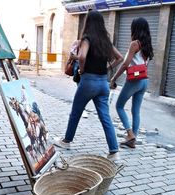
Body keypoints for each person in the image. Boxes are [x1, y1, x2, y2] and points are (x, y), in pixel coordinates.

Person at [55, 10, 123, 160]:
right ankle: (114, 151)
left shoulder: (87, 38)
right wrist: (106, 69)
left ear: (88, 23)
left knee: (76, 112)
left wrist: (82, 68)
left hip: (88, 82)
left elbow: (82, 56)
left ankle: (66, 141)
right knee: (105, 117)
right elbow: (120, 58)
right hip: (103, 83)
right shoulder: (105, 40)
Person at [110, 17, 154, 149]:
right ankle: (132, 141)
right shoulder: (147, 44)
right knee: (136, 111)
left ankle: (130, 134)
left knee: (119, 106)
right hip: (144, 81)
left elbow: (125, 64)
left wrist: (113, 79)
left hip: (134, 81)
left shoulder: (135, 44)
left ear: (135, 29)